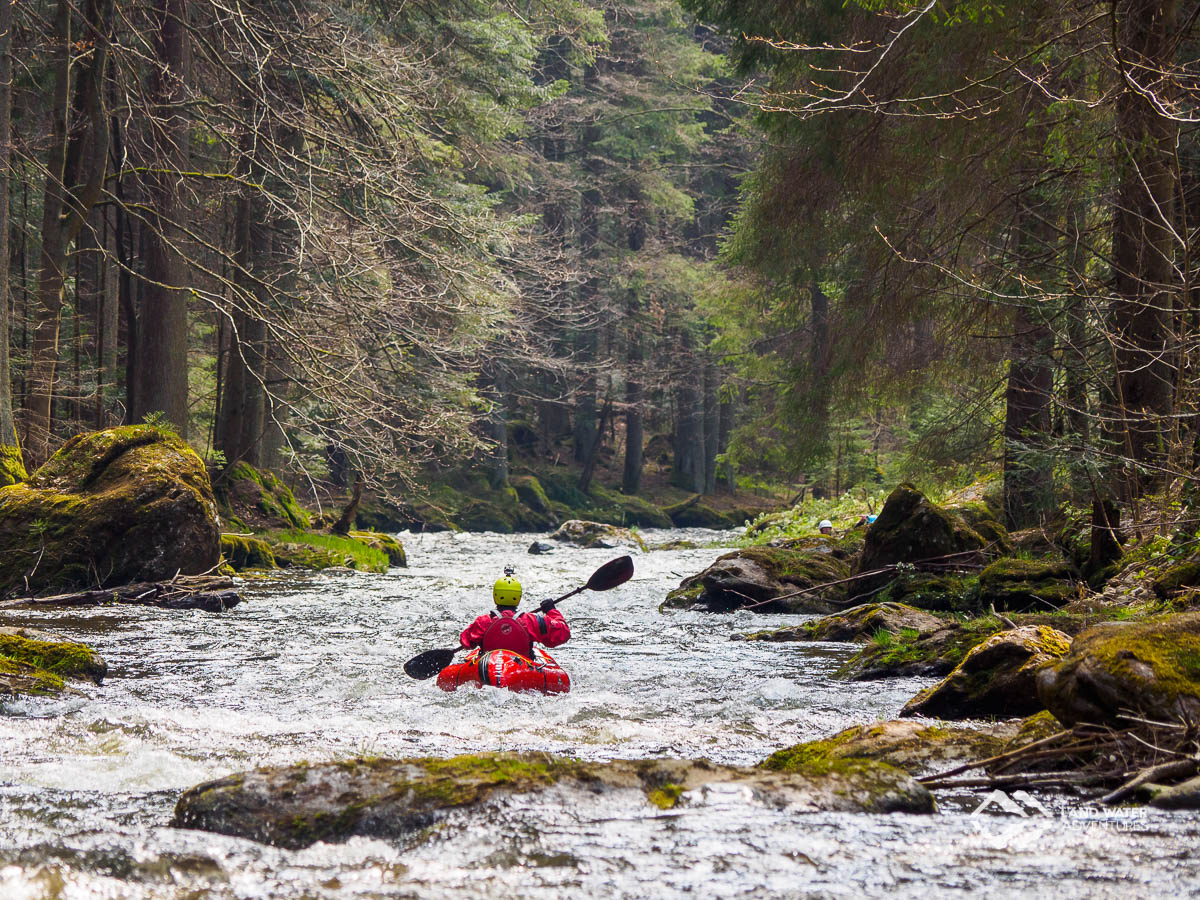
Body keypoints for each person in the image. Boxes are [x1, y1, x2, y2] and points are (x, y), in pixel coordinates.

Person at [459, 567, 571, 658]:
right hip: (522, 671)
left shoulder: (483, 622)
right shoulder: (532, 621)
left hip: (488, 670)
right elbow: (563, 633)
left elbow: (466, 641)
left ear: (495, 595)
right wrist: (551, 610)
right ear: (518, 596)